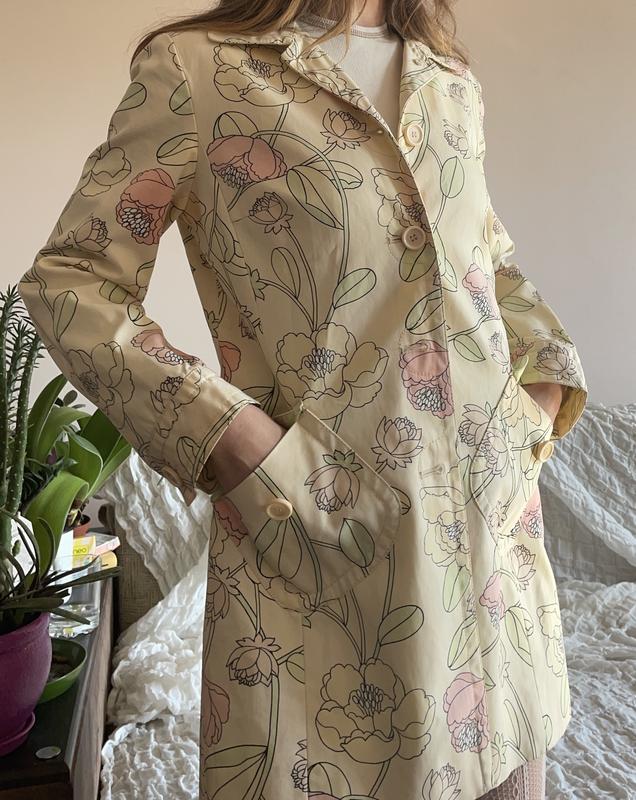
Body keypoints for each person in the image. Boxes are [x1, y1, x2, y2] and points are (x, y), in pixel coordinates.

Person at [18, 1, 588, 799]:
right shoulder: (200, 68)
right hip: (331, 560)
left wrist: (542, 391)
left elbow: (483, 260)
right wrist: (234, 439)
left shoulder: (448, 79)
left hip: (501, 575)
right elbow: (73, 282)